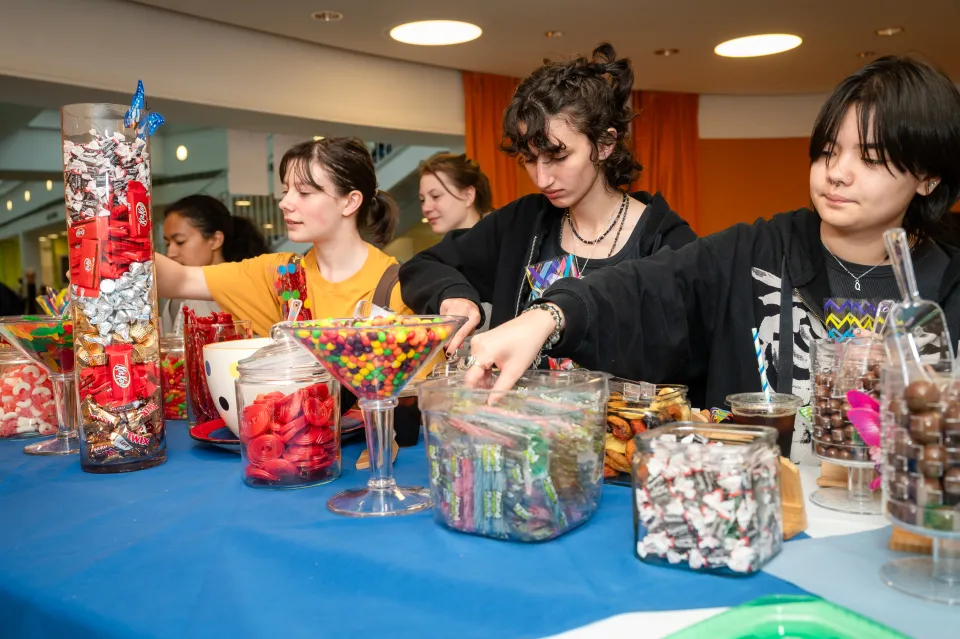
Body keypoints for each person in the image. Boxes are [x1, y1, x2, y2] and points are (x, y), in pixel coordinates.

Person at [464, 56, 960, 413]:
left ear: (928, 176)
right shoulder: (753, 251)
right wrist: (546, 317)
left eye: (869, 158)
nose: (837, 173)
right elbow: (646, 287)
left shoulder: (948, 288)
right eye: (828, 151)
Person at [399, 43, 697, 365]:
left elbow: (686, 354)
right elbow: (421, 266)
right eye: (530, 159)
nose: (542, 179)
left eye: (558, 156)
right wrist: (452, 293)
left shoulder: (668, 244)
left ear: (605, 144)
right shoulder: (522, 223)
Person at [155, 137, 413, 338]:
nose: (285, 203)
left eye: (304, 192)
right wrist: (121, 235)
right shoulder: (280, 276)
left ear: (350, 202)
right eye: (286, 190)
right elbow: (180, 279)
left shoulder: (397, 287)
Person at [160, 195, 270, 333]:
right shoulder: (177, 302)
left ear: (216, 240)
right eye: (167, 244)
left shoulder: (249, 287)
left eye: (180, 242)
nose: (171, 253)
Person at [419, 152, 493, 234]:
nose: (426, 208)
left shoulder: (503, 238)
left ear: (468, 195)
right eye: (422, 200)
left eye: (435, 196)